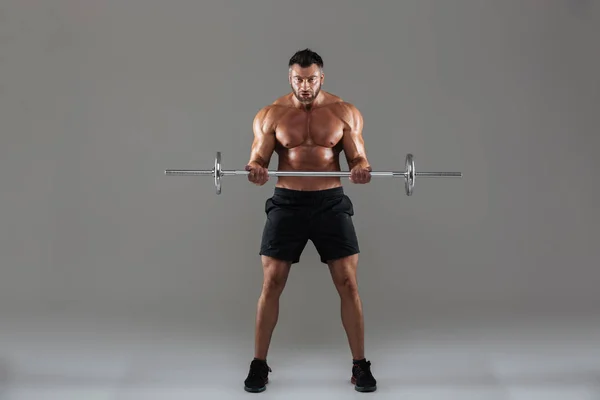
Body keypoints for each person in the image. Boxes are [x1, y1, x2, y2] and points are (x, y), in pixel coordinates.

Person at [242, 48, 377, 393]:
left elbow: (357, 155)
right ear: (290, 78)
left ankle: (360, 366)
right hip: (287, 203)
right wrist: (256, 170)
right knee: (271, 283)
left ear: (322, 78)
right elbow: (258, 157)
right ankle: (259, 365)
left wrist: (360, 168)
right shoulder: (271, 114)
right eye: (299, 80)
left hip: (330, 202)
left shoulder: (344, 112)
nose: (305, 86)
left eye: (311, 79)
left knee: (348, 283)